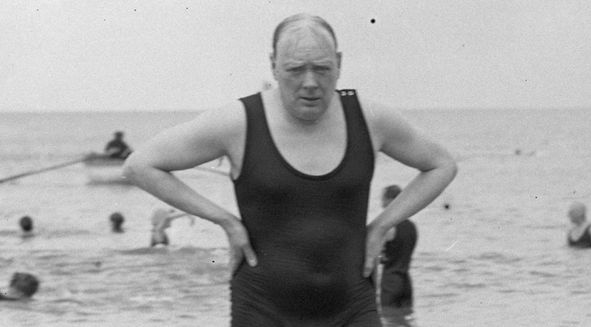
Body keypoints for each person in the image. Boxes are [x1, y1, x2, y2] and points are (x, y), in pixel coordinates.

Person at [123, 13, 457, 326]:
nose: (310, 82)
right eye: (296, 69)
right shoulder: (239, 122)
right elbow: (141, 165)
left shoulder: (369, 119)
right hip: (262, 309)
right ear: (273, 66)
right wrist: (226, 221)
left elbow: (441, 164)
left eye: (322, 69)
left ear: (339, 64)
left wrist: (382, 226)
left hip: (353, 306)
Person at [379, 185, 418, 311]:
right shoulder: (412, 227)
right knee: (406, 320)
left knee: (389, 319)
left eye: (383, 200)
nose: (382, 204)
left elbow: (376, 256)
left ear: (391, 201)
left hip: (391, 282)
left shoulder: (389, 227)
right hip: (406, 282)